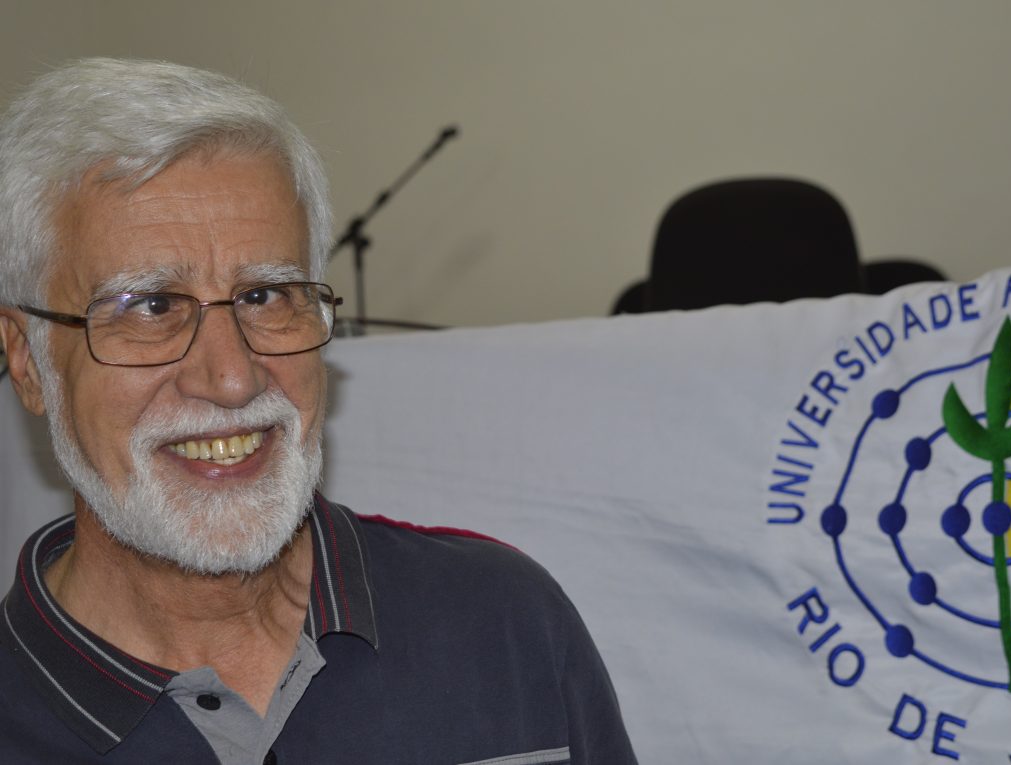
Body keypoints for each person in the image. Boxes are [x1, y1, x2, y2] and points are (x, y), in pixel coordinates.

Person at [0, 58, 636, 765]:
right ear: (27, 360)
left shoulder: (504, 623)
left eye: (266, 296)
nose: (232, 378)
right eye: (151, 306)